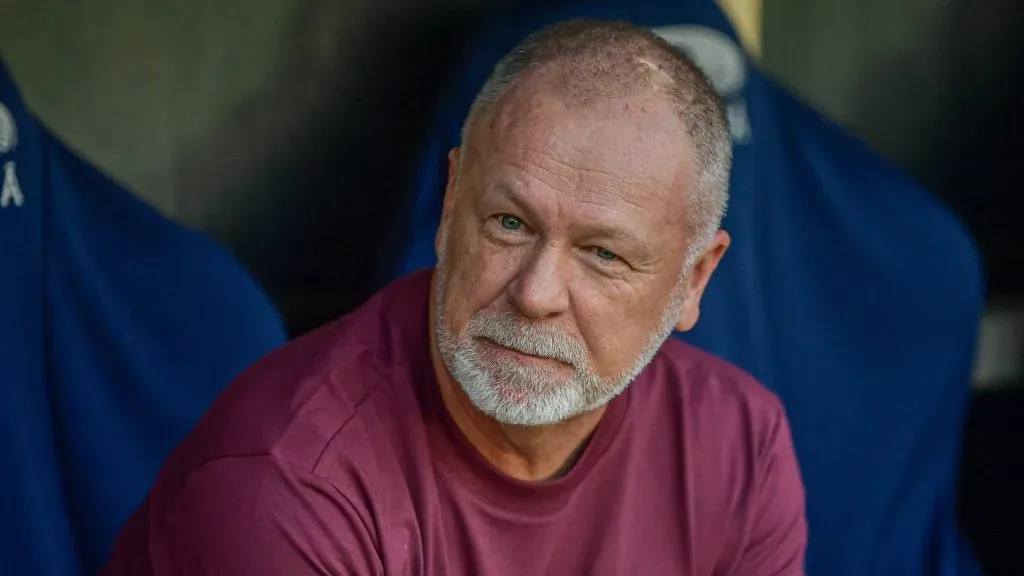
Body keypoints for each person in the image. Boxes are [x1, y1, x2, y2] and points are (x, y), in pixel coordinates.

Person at [103, 19, 806, 575]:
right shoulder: (284, 484)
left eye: (602, 254)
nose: (535, 294)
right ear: (448, 207)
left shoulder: (738, 446)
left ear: (693, 281)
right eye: (509, 223)